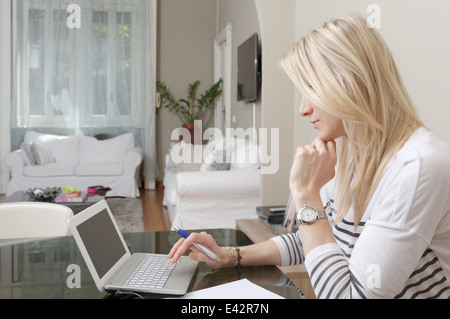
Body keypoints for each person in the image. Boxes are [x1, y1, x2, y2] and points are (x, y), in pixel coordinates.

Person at [168, 14, 450, 299]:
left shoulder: (418, 165)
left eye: (311, 90)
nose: (303, 109)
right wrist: (229, 255)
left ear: (351, 82)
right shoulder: (348, 153)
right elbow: (314, 239)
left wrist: (306, 194)